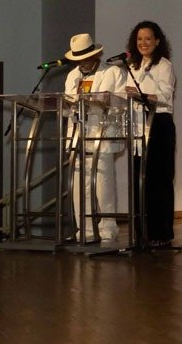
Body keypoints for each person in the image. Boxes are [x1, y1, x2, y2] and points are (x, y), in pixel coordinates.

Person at [63, 33, 127, 244]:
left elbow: (121, 103)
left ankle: (108, 229)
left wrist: (100, 103)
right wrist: (69, 106)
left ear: (96, 55)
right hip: (78, 135)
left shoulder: (113, 72)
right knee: (79, 186)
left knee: (103, 184)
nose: (83, 62)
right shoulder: (72, 76)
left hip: (102, 134)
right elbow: (66, 108)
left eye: (87, 57)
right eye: (79, 59)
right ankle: (85, 230)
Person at [125, 21, 176, 247]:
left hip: (159, 123)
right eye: (139, 39)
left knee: (159, 180)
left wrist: (141, 95)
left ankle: (161, 234)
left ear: (157, 41)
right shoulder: (132, 66)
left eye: (147, 39)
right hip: (138, 124)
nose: (143, 43)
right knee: (140, 179)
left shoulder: (164, 66)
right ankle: (141, 233)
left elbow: (165, 96)